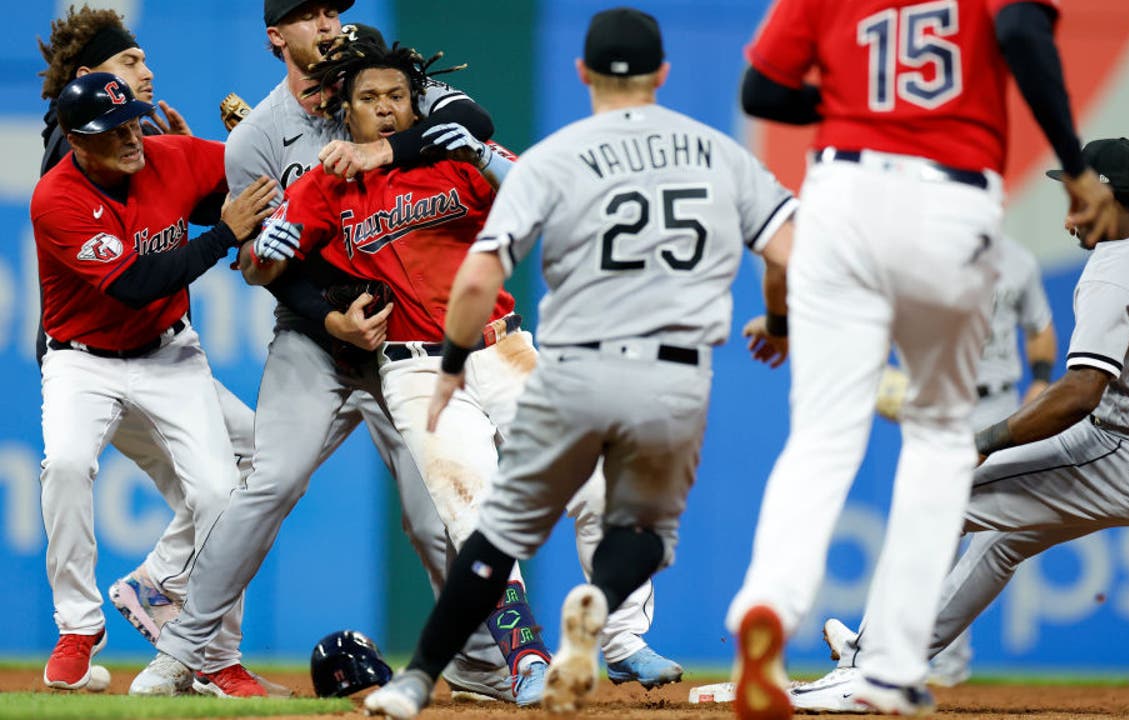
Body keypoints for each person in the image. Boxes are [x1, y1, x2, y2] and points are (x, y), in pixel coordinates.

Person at [134, 0, 677, 701]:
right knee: (288, 485)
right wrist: (321, 310)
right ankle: (184, 650)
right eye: (310, 16)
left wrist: (414, 148)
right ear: (278, 39)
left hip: (481, 347)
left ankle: (550, 655)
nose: (327, 26)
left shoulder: (425, 127)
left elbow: (491, 146)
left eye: (335, 14)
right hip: (346, 345)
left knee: (477, 509)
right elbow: (271, 261)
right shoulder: (273, 145)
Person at [359, 7, 795, 718]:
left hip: (576, 369)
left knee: (497, 533)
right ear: (663, 72)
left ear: (583, 72)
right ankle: (600, 607)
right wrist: (777, 321)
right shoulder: (718, 152)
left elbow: (475, 281)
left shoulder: (560, 156)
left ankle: (416, 680)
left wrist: (448, 372)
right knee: (640, 532)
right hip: (677, 376)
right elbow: (788, 255)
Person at [725, 0, 1119, 717]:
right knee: (940, 435)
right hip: (948, 194)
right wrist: (1074, 161)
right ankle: (892, 668)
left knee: (821, 436)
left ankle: (767, 610)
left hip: (841, 192)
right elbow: (1022, 30)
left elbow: (762, 92)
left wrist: (844, 98)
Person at [794, 138, 1129, 712]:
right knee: (1001, 545)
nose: (1068, 215)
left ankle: (872, 674)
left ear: (1105, 193)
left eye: (1077, 197)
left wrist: (979, 443)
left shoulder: (1114, 273)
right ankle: (882, 658)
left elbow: (1079, 393)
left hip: (1120, 449)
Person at [34, 9, 277, 697]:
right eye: (115, 131)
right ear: (79, 142)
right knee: (68, 464)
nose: (133, 137)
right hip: (83, 360)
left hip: (168, 354)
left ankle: (200, 643)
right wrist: (223, 233)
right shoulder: (57, 197)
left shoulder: (162, 151)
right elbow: (138, 283)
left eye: (136, 119)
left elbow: (243, 184)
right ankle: (79, 626)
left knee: (221, 493)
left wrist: (247, 150)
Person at [868, 234, 1058, 686]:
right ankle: (892, 654)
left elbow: (1040, 327)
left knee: (983, 537)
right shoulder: (919, 258)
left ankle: (946, 669)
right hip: (936, 406)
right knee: (924, 532)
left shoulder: (1017, 259)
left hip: (998, 408)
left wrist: (1041, 382)